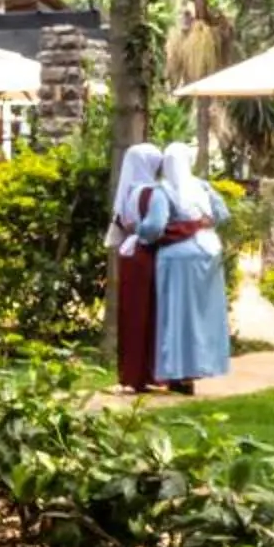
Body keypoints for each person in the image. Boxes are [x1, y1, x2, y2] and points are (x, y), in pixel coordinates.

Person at [141, 141, 232, 394]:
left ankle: (177, 373)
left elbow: (154, 226)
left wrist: (136, 232)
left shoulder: (163, 190)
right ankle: (200, 366)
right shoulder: (203, 186)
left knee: (177, 316)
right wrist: (202, 222)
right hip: (210, 252)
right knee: (203, 316)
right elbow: (223, 214)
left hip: (176, 259)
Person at [107, 142, 165, 392]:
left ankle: (130, 373)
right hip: (147, 255)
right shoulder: (154, 193)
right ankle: (147, 372)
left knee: (130, 314)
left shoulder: (128, 194)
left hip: (128, 255)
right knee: (148, 314)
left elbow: (123, 223)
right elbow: (154, 228)